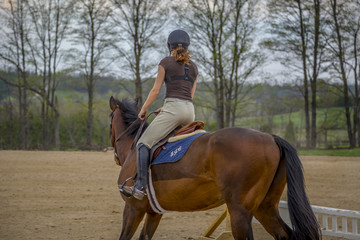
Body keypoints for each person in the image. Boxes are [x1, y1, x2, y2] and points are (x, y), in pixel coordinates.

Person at [122, 30, 199, 200]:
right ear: (187, 46)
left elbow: (156, 90)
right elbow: (189, 95)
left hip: (174, 109)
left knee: (144, 143)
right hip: (189, 111)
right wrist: (165, 109)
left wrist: (143, 109)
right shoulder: (194, 67)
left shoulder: (165, 62)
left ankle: (141, 186)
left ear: (169, 46)